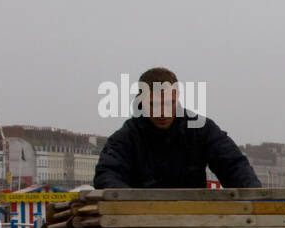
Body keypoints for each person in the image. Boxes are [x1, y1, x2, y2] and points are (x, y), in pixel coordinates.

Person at [93, 67, 262, 188]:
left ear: (177, 96)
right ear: (141, 101)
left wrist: (254, 196)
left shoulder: (200, 130)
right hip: (141, 223)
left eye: (168, 103)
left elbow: (233, 165)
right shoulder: (126, 138)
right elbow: (107, 174)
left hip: (194, 220)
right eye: (154, 105)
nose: (162, 112)